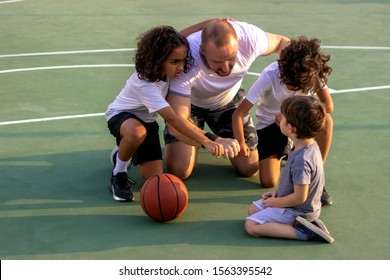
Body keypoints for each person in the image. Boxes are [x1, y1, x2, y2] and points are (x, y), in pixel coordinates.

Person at [105, 25, 240, 202]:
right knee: (137, 132)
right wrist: (208, 140)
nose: (180, 67)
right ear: (159, 60)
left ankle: (123, 151)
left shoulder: (168, 69)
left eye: (183, 60)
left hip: (147, 123)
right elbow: (173, 119)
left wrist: (213, 22)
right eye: (175, 62)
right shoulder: (146, 85)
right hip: (121, 116)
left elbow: (180, 36)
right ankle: (118, 174)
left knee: (155, 181)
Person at [164, 19, 290, 180]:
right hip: (191, 106)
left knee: (250, 167)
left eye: (231, 58)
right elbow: (177, 122)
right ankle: (194, 142)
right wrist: (212, 141)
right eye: (217, 61)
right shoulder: (186, 59)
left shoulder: (249, 38)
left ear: (238, 44)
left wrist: (295, 79)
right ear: (202, 51)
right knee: (179, 170)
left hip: (228, 101)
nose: (225, 68)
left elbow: (282, 42)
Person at [232, 36, 334, 205]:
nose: (292, 87)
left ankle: (317, 177)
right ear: (282, 68)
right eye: (288, 82)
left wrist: (291, 114)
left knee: (326, 120)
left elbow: (328, 106)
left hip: (296, 121)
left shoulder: (313, 72)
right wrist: (241, 142)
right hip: (270, 124)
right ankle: (286, 151)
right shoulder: (270, 75)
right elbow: (238, 113)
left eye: (297, 86)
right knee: (268, 181)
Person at [244, 95, 334, 243]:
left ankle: (305, 232)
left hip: (298, 211)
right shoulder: (307, 144)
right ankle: (304, 225)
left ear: (290, 127)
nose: (279, 118)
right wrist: (277, 194)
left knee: (251, 225)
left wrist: (274, 203)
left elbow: (299, 197)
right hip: (296, 206)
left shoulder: (302, 160)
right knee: (252, 209)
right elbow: (294, 184)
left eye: (283, 117)